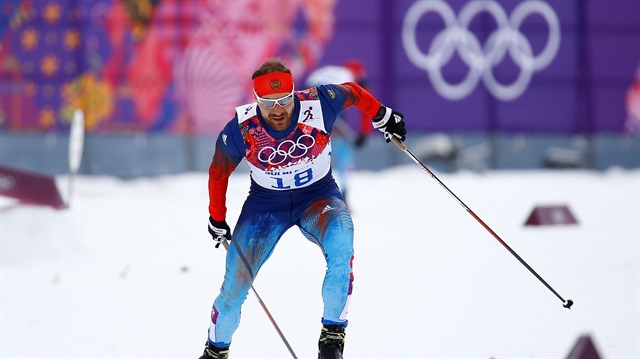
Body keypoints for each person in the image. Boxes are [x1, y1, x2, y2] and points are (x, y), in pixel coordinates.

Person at [200, 58, 406, 359]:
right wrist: (217, 219)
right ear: (256, 100)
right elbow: (218, 172)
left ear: (295, 92)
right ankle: (215, 351)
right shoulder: (242, 127)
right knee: (234, 287)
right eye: (268, 103)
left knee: (342, 250)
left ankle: (332, 338)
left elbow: (353, 92)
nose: (279, 109)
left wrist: (384, 115)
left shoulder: (319, 103)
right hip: (266, 208)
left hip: (318, 198)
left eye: (284, 99)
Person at [304, 60, 373, 206]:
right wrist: (364, 133)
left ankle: (307, 194)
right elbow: (368, 105)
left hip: (308, 97)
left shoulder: (331, 69)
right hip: (329, 97)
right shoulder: (352, 79)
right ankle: (344, 192)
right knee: (342, 149)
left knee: (311, 150)